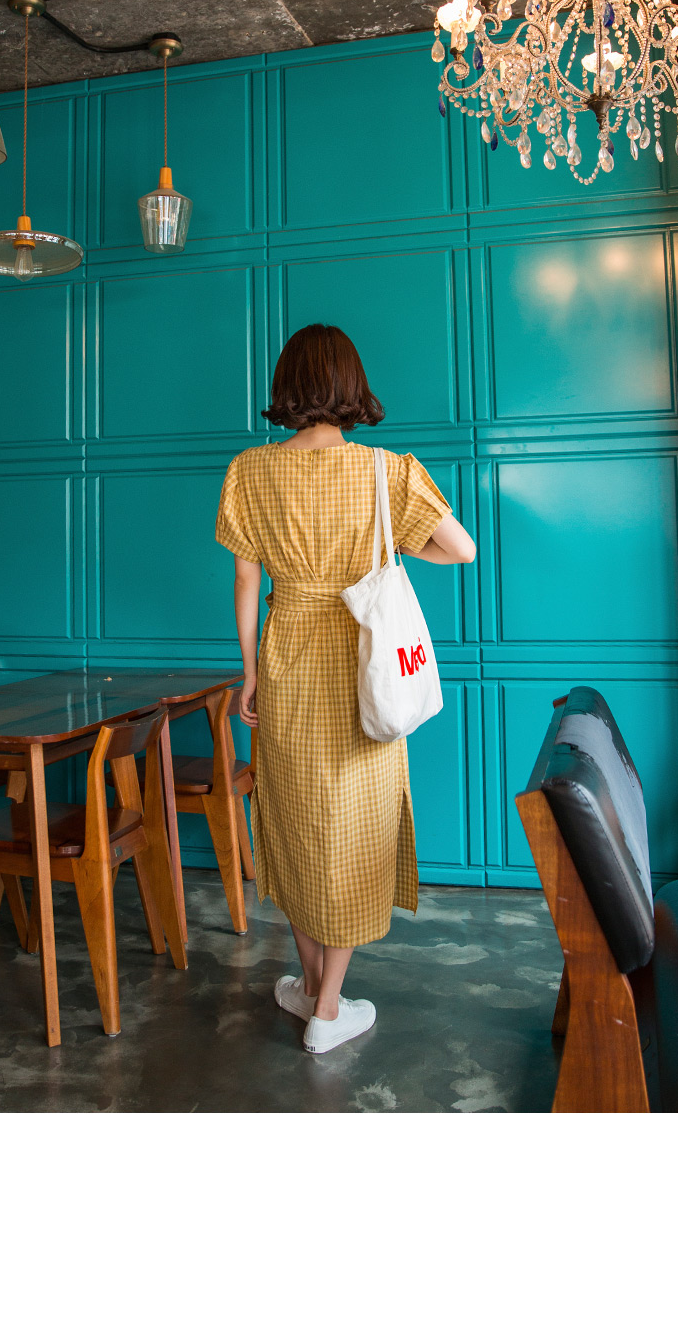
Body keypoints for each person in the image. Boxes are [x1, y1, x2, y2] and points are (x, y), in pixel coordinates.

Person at [217, 313, 474, 1054]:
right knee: (355, 825)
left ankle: (309, 988)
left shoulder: (249, 470)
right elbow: (461, 549)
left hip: (288, 657)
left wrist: (250, 673)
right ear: (351, 385)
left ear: (286, 387)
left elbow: (245, 582)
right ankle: (327, 1004)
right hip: (366, 663)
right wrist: (390, 547)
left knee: (294, 818)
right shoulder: (386, 471)